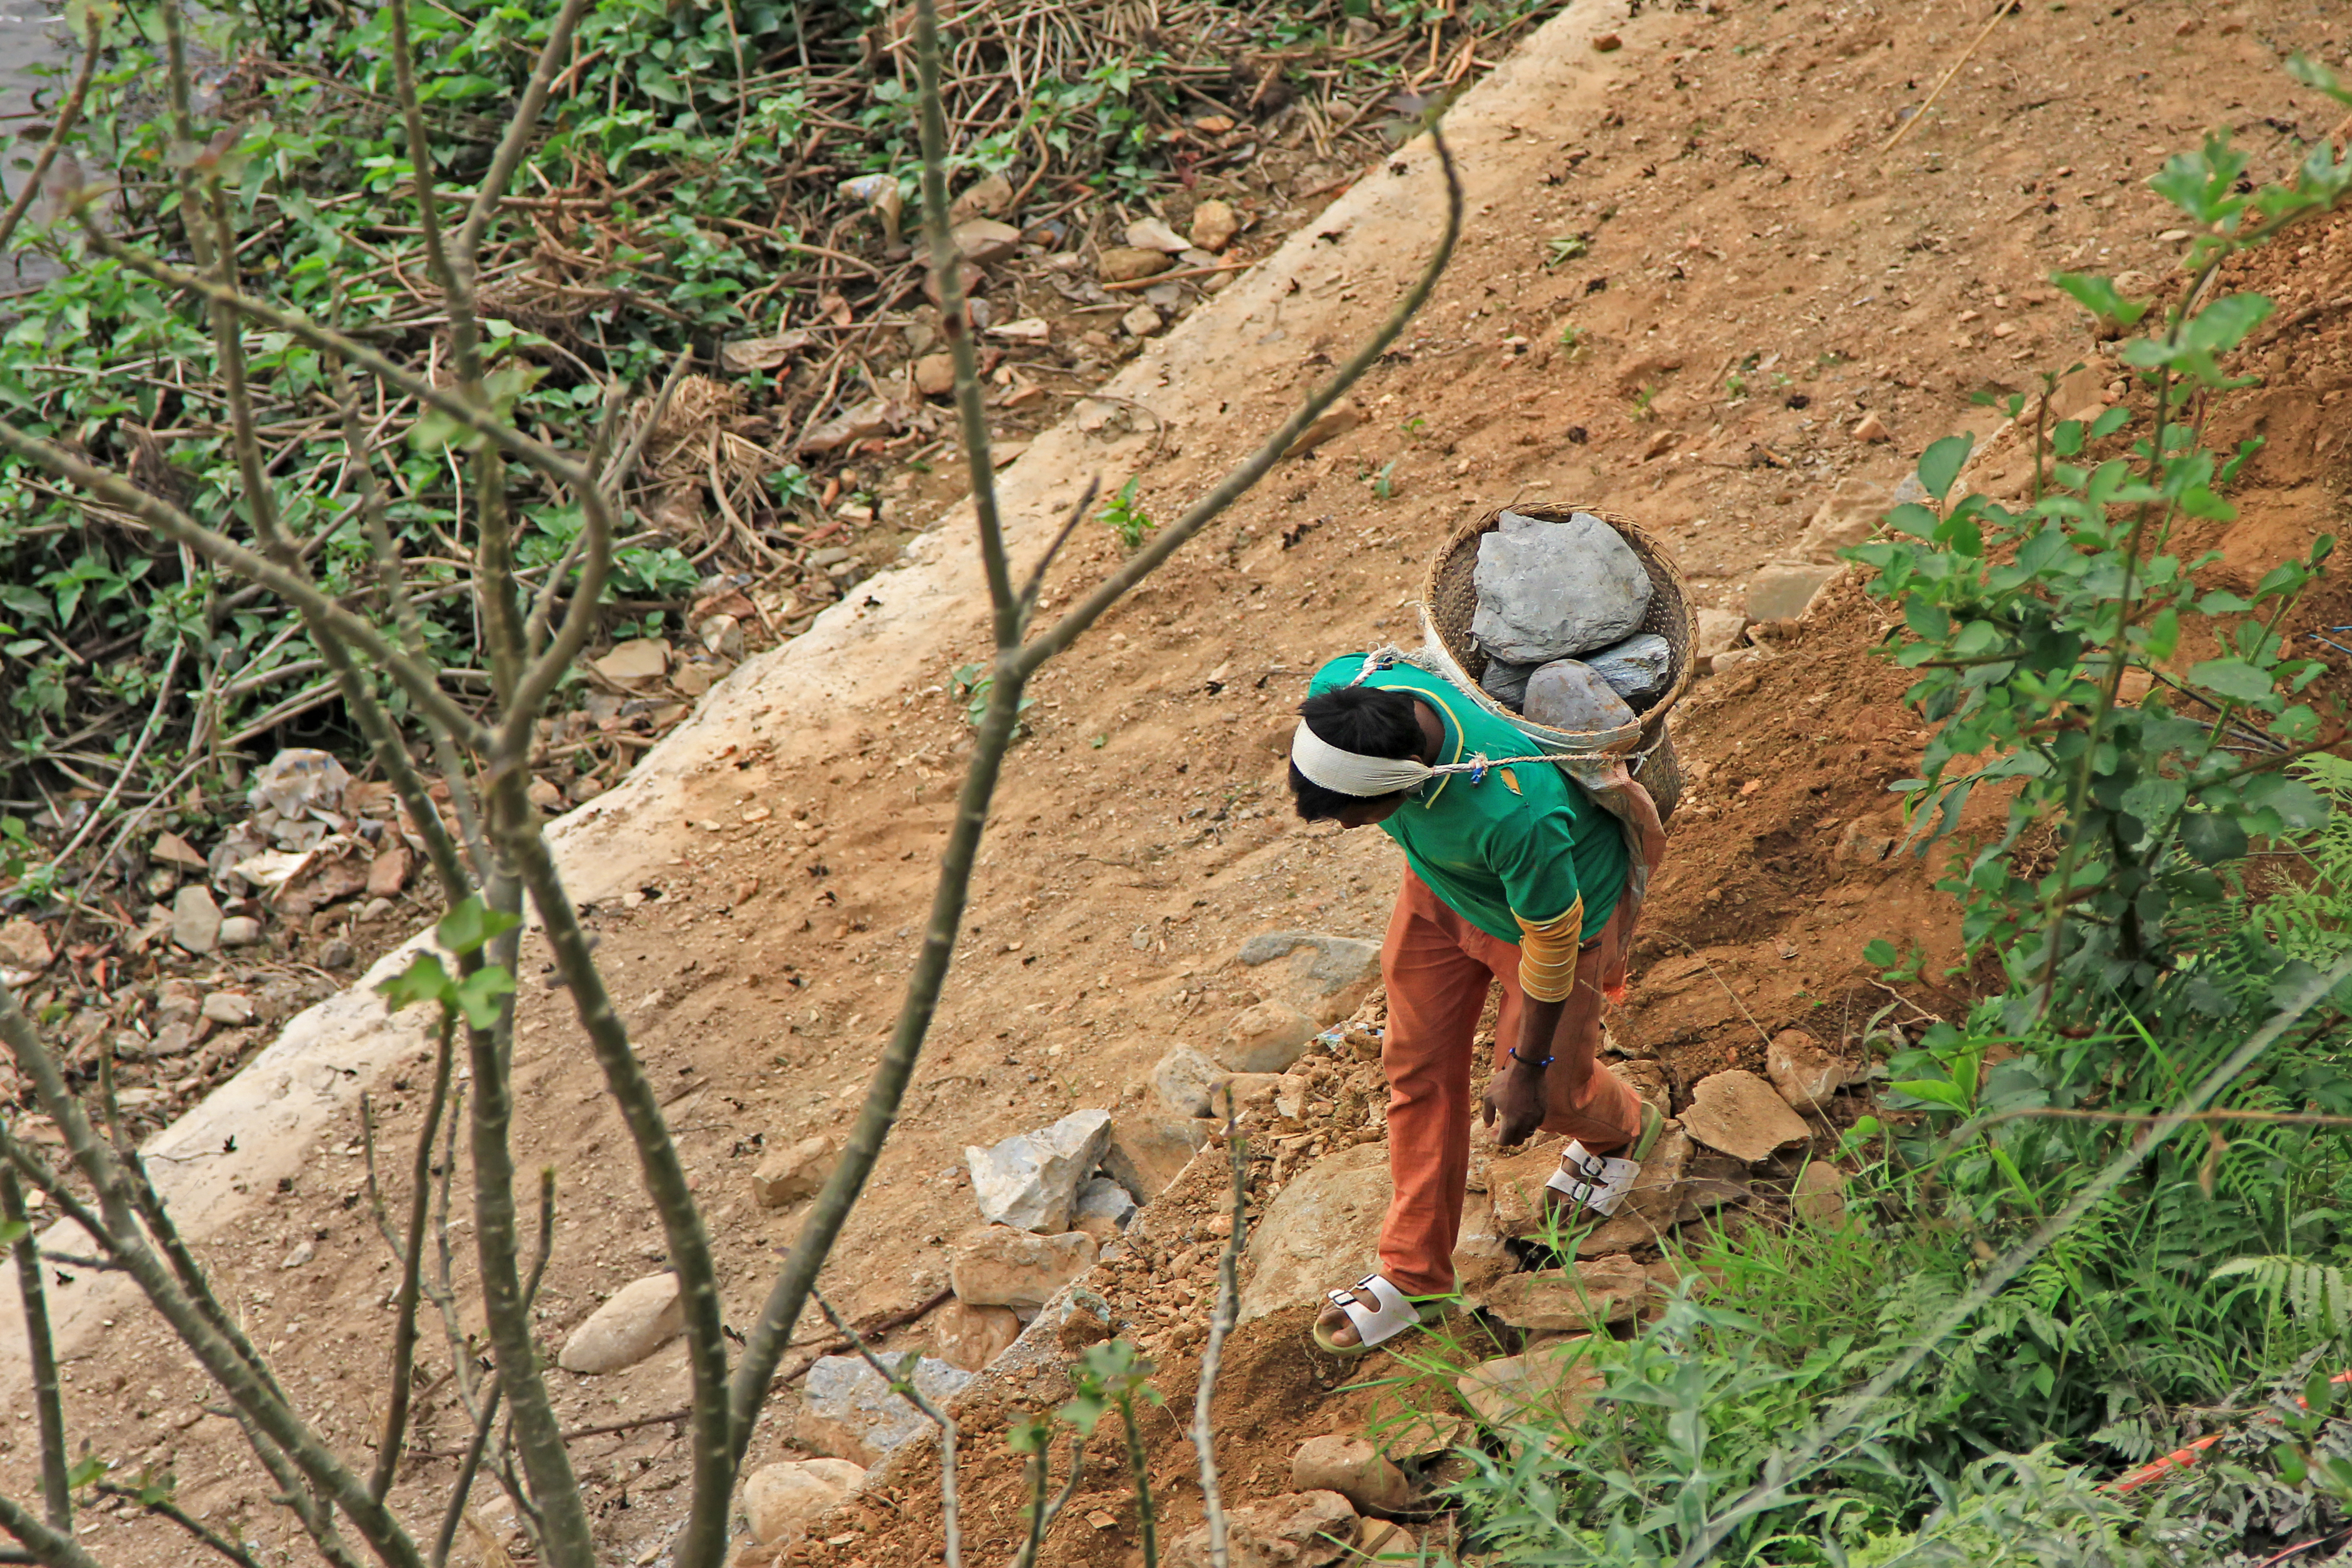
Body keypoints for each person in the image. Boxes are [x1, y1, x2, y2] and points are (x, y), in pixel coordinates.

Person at [1287, 650, 1666, 1354]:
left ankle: (1622, 1128)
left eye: (1355, 815)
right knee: (1417, 1069)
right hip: (1442, 893)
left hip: (1553, 918)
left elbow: (1552, 940)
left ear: (1410, 779)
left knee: (1551, 1094)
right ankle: (1414, 1276)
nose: (1346, 827)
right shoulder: (1347, 692)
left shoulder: (1513, 808)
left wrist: (1524, 1069)